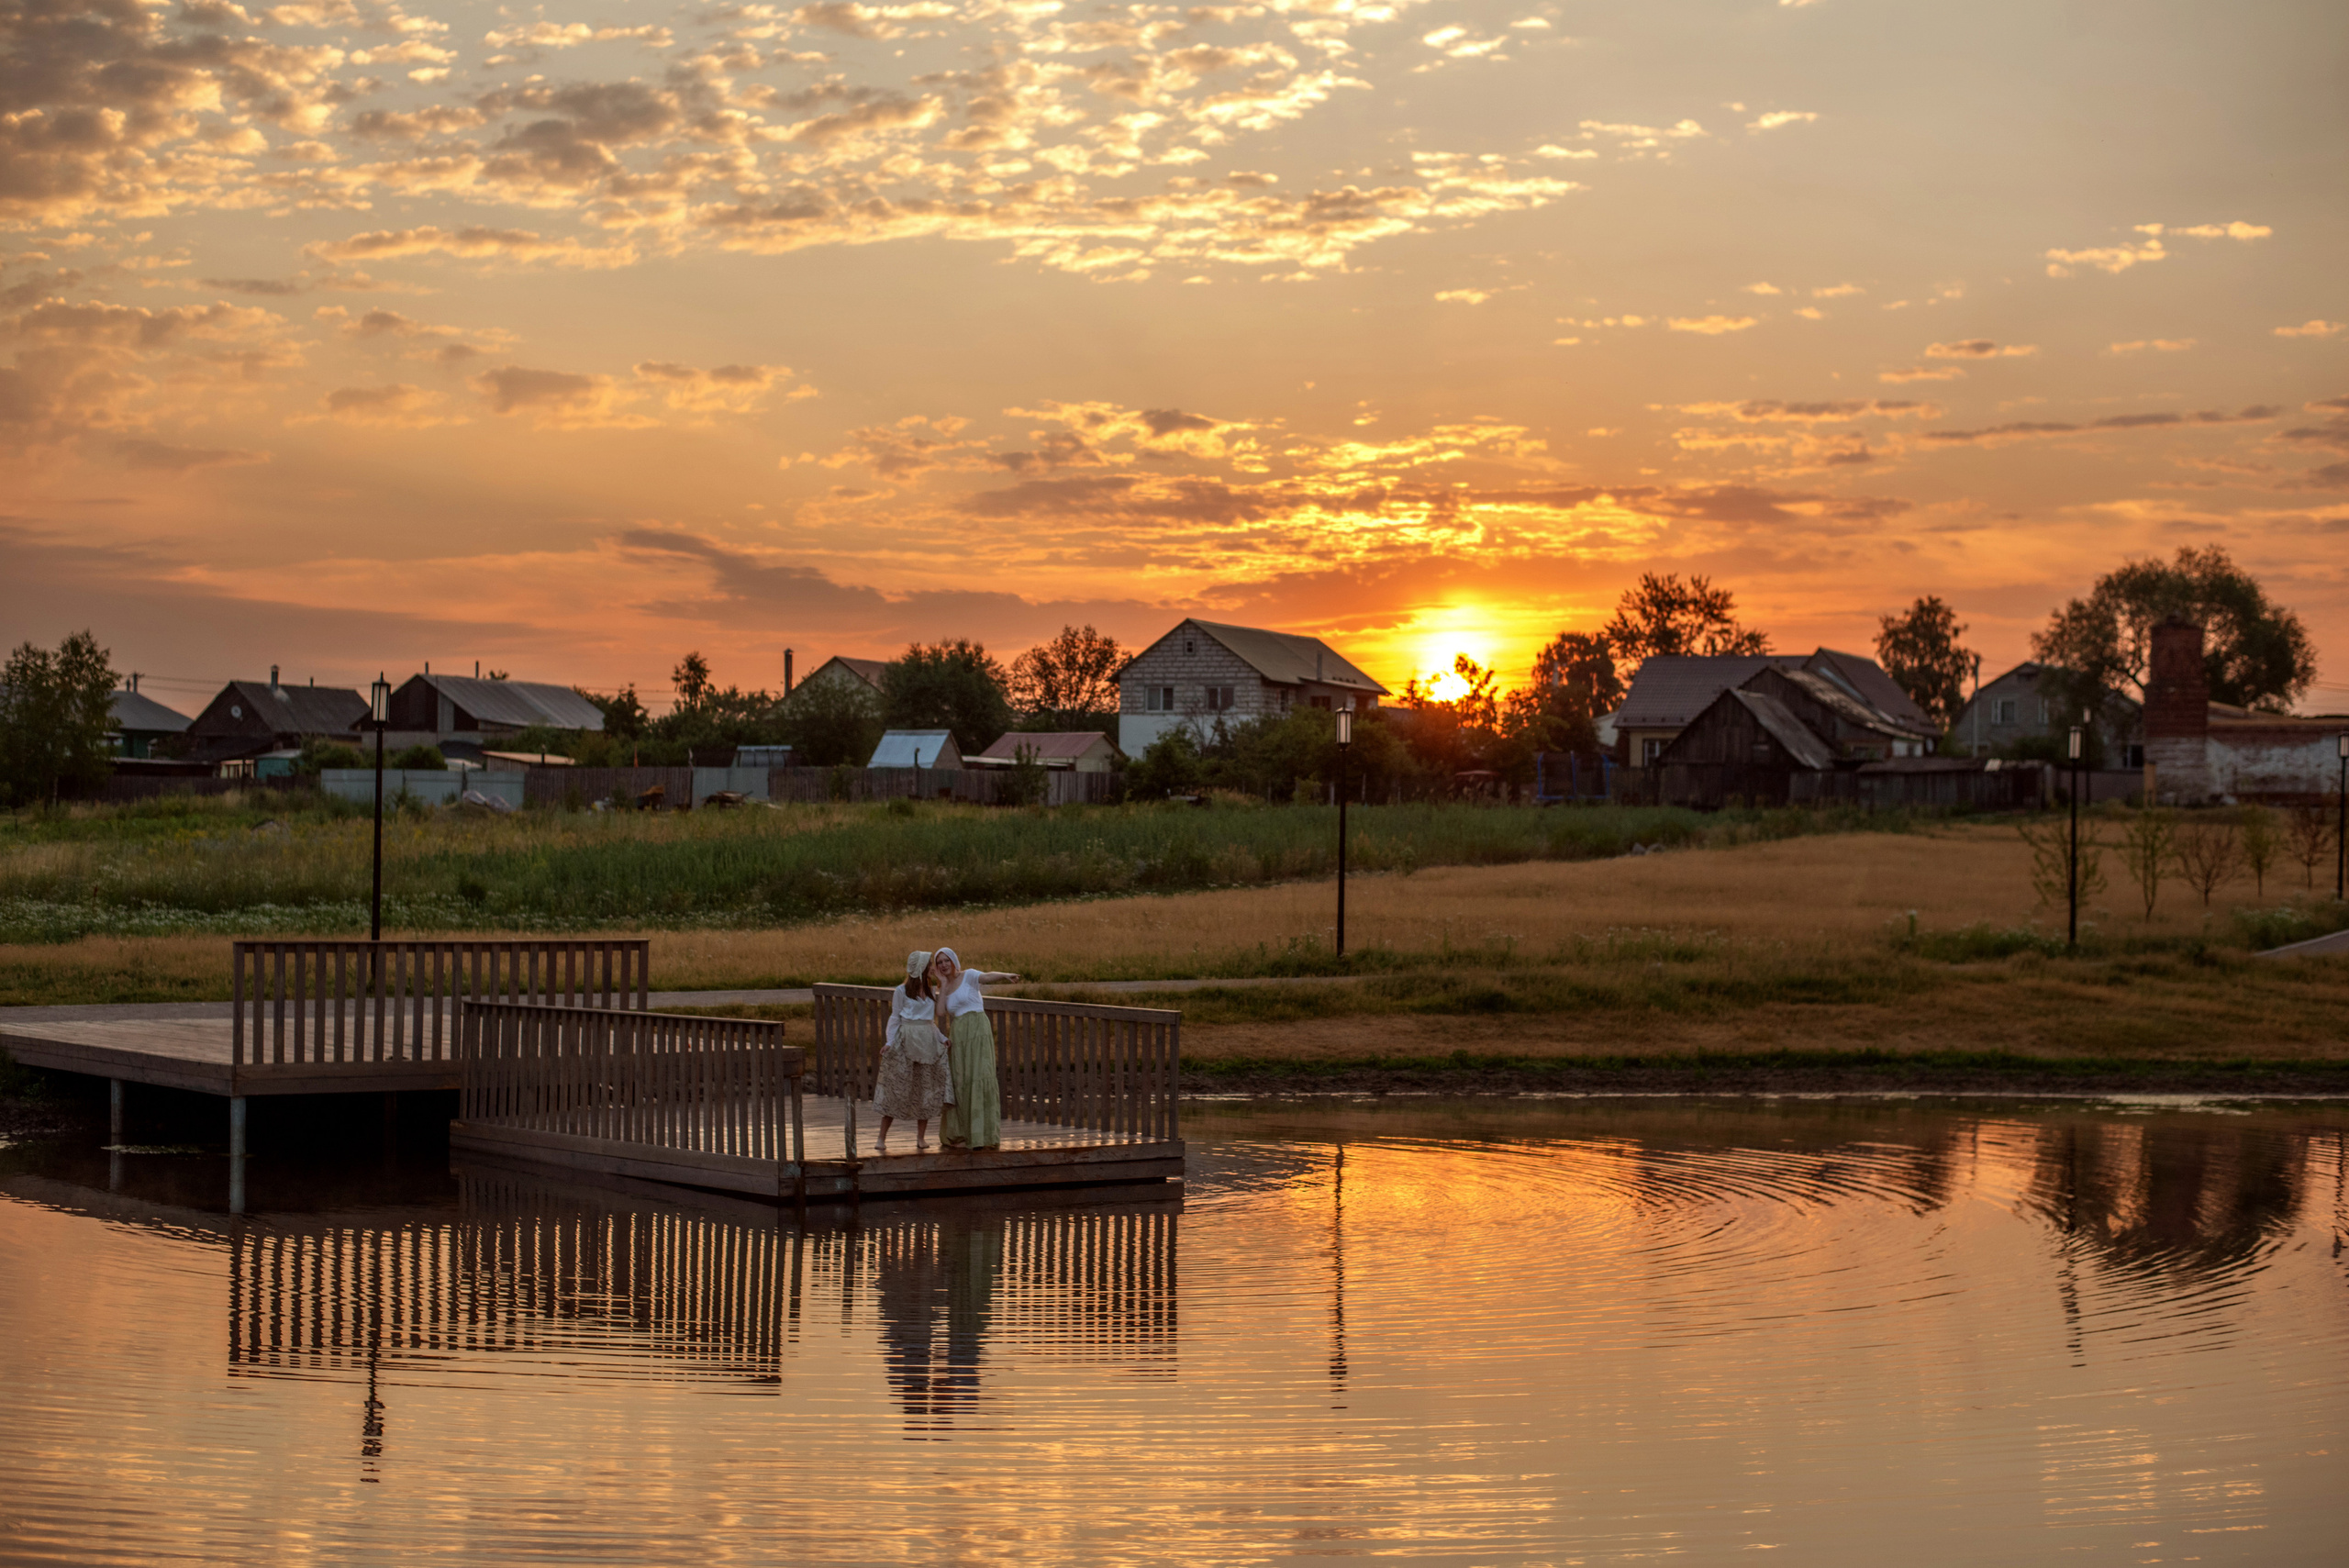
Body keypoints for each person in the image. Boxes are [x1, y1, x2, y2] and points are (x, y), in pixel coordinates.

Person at [932, 947, 1019, 1151]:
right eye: (940, 962)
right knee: (961, 1080)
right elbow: (941, 1012)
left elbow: (986, 977)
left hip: (978, 1029)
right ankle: (961, 1132)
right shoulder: (945, 985)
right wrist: (943, 985)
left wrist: (1005, 975)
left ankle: (983, 1135)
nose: (944, 965)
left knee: (980, 1076)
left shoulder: (969, 975)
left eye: (946, 961)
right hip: (959, 1033)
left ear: (954, 961)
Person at [875, 949, 952, 1153]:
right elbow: (895, 1018)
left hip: (926, 1041)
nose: (933, 968)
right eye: (930, 965)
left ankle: (921, 1137)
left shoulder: (929, 991)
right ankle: (882, 1137)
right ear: (920, 968)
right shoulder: (901, 991)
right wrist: (890, 1042)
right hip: (906, 1039)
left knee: (924, 1088)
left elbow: (930, 1021)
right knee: (897, 1088)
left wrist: (942, 1038)